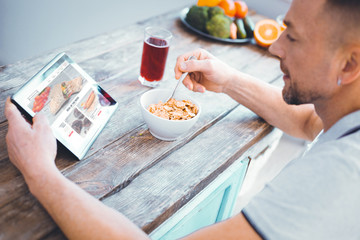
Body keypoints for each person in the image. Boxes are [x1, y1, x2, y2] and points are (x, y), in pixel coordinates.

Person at [5, 0, 360, 238]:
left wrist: (40, 172)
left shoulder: (341, 177)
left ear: (349, 65)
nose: (274, 46)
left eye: (293, 36)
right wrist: (230, 80)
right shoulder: (348, 113)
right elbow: (308, 123)